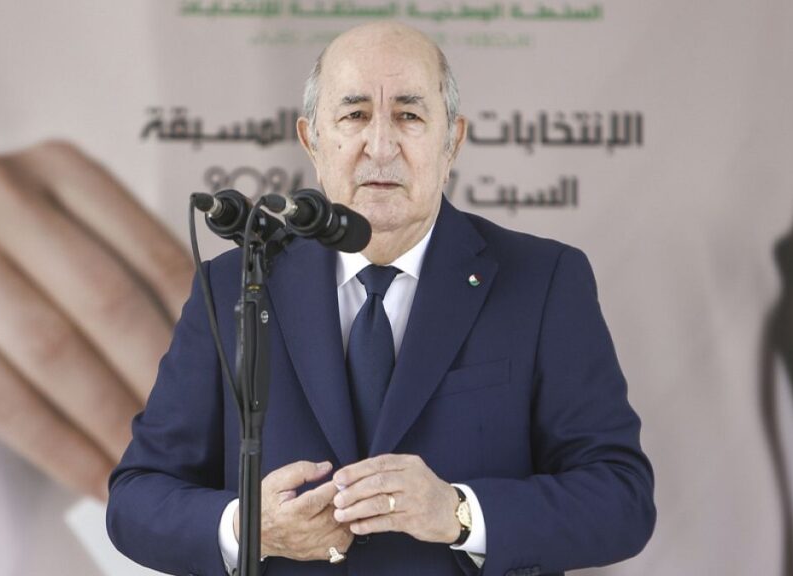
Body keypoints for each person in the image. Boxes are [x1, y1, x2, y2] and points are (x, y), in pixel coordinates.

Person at [106, 21, 655, 576]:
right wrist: (249, 528)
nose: (381, 145)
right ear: (311, 141)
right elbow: (136, 499)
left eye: (410, 116)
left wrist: (461, 512)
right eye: (355, 115)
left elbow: (621, 499)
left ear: (453, 141)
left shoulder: (543, 280)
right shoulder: (235, 284)